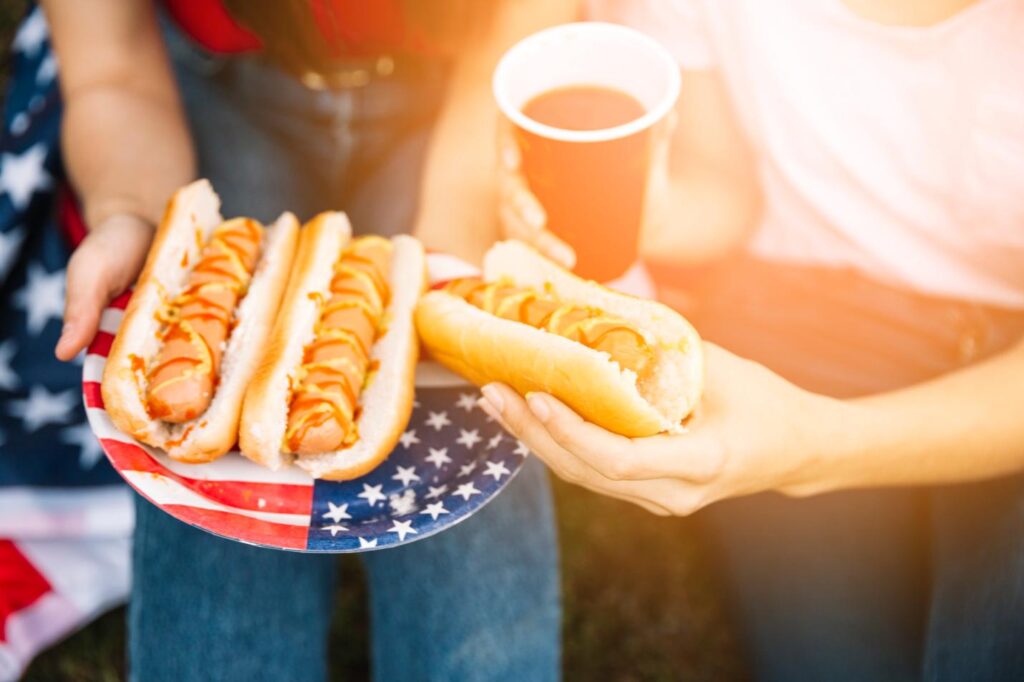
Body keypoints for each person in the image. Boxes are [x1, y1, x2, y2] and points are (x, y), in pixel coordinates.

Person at [481, 0, 1024, 680]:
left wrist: (810, 447)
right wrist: (650, 213)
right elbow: (728, 185)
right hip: (798, 328)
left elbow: (807, 446)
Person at [38, 1, 577, 679]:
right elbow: (111, 66)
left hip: (460, 97)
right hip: (210, 90)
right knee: (215, 516)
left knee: (465, 482)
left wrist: (457, 230)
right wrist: (131, 211)